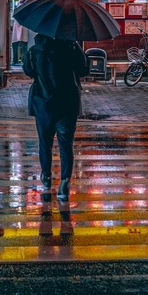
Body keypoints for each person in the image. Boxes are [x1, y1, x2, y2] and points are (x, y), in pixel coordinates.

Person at [23, 33, 91, 202]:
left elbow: (28, 71)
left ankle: (46, 176)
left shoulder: (35, 50)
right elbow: (84, 70)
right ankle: (64, 183)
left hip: (43, 103)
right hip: (67, 104)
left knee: (45, 142)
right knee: (66, 144)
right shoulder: (73, 48)